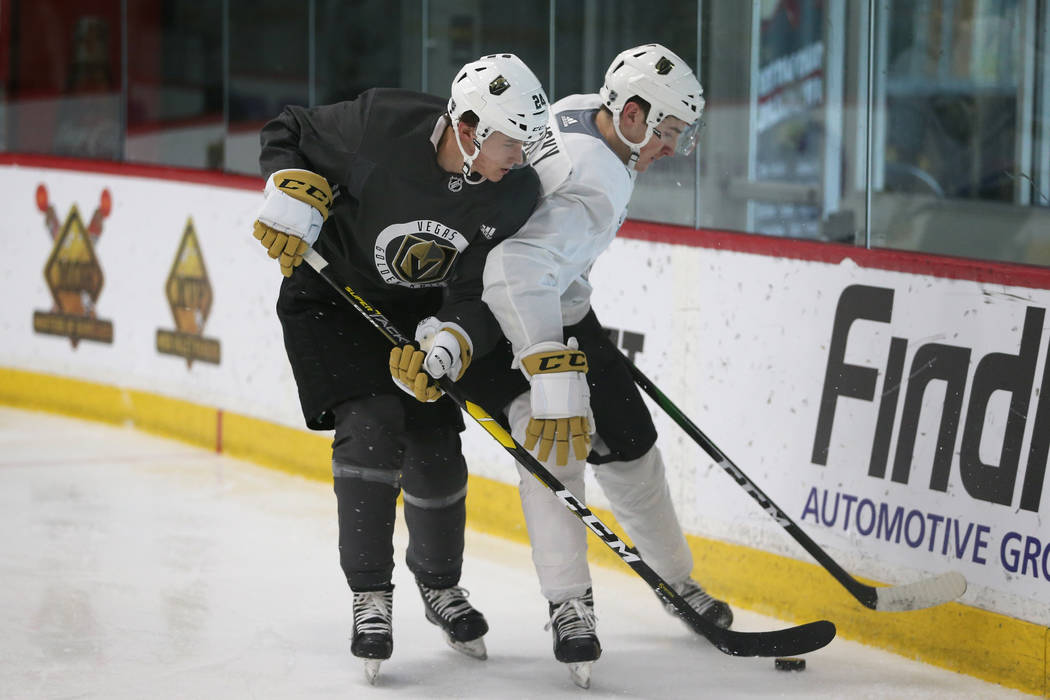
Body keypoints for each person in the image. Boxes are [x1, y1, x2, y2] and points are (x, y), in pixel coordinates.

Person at [250, 53, 548, 683]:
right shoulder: (379, 123)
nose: (520, 155)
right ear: (466, 128)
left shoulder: (516, 190)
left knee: (437, 441)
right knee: (373, 422)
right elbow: (289, 131)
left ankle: (439, 586)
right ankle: (370, 594)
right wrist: (288, 184)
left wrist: (452, 342)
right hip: (331, 298)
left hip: (420, 317)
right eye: (509, 141)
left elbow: (483, 290)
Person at [467, 43, 732, 688]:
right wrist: (545, 359)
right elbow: (512, 268)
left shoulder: (589, 115)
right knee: (554, 443)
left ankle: (676, 583)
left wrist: (572, 315)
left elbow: (547, 251)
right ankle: (571, 607)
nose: (671, 146)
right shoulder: (594, 171)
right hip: (497, 320)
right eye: (667, 131)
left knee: (632, 439)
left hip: (560, 310)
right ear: (635, 114)